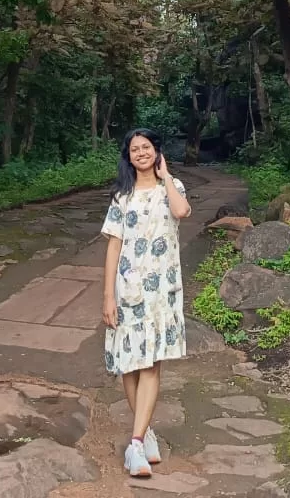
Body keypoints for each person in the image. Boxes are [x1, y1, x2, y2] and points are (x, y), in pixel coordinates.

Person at [101, 127, 192, 479]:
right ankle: (147, 433)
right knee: (129, 363)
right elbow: (113, 246)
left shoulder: (172, 187)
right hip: (128, 289)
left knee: (151, 361)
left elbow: (182, 211)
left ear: (157, 152)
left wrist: (166, 175)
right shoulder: (122, 196)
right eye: (134, 149)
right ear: (128, 156)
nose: (141, 152)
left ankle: (135, 443)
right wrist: (108, 294)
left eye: (147, 147)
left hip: (162, 291)